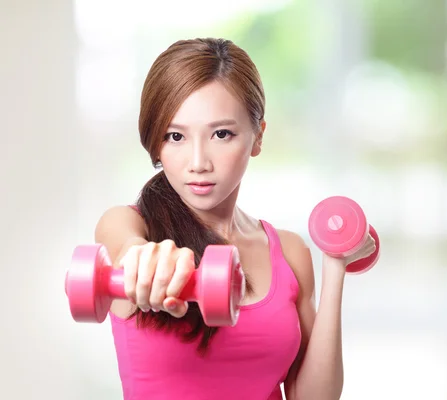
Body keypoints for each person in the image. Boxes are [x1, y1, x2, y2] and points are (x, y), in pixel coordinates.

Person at [94, 37, 376, 400]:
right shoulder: (133, 227)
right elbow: (123, 245)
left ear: (257, 137)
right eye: (175, 136)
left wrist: (335, 267)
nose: (198, 161)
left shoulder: (288, 251)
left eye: (221, 134)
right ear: (156, 143)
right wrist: (144, 258)